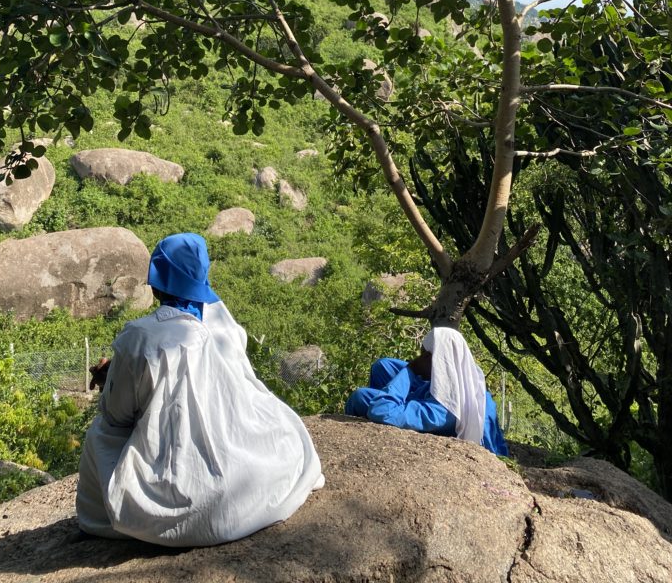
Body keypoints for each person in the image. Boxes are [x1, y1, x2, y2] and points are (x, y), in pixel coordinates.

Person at [76, 232, 324, 545]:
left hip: (176, 496)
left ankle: (95, 522)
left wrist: (112, 380)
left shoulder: (137, 337)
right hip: (240, 485)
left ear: (156, 280)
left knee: (101, 432)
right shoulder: (223, 321)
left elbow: (117, 416)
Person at [344, 326, 508, 456]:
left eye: (424, 354)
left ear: (435, 361)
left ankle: (391, 407)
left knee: (361, 397)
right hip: (431, 394)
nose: (419, 357)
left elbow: (381, 410)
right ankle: (397, 395)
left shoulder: (444, 410)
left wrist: (411, 370)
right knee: (383, 366)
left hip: (432, 411)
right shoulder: (466, 379)